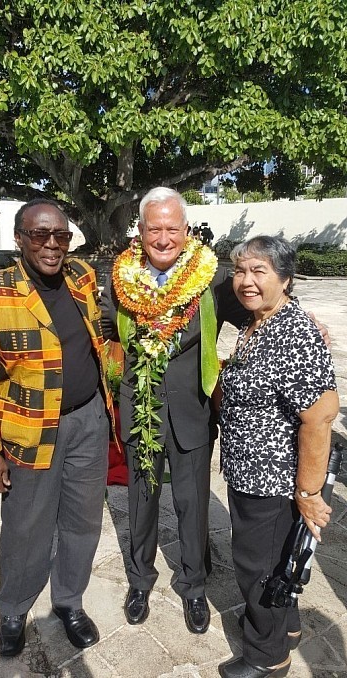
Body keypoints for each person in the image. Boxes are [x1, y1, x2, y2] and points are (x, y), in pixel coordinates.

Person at [0, 199, 114, 657]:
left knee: (83, 522)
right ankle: (13, 608)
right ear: (19, 239)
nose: (52, 245)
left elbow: (111, 324)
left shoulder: (82, 277)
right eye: (40, 235)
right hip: (28, 429)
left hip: (88, 419)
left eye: (61, 236)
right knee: (26, 527)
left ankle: (69, 600)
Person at [100, 187, 254, 634]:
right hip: (141, 412)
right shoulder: (119, 279)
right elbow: (103, 331)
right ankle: (139, 582)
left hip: (191, 415)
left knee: (193, 507)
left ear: (185, 231)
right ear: (141, 232)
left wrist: (305, 317)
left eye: (172, 228)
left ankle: (193, 588)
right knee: (141, 506)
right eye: (154, 228)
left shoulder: (209, 281)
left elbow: (258, 307)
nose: (163, 237)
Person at [215, 236, 339, 678]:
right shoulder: (260, 323)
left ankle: (267, 657)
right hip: (252, 473)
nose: (246, 282)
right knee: (276, 563)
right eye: (241, 271)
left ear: (285, 279)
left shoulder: (294, 333)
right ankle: (282, 628)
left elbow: (321, 416)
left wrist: (308, 492)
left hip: (272, 479)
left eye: (259, 271)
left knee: (257, 566)